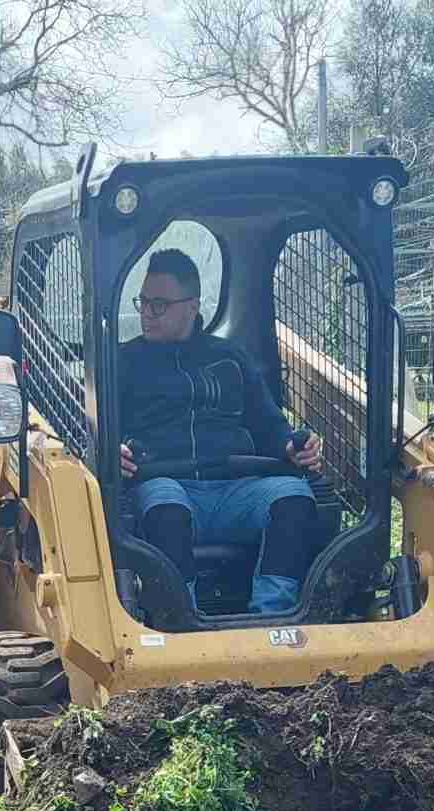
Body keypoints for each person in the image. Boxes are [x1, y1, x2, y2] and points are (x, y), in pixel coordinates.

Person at [113, 247, 327, 616]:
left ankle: (271, 618)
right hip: (166, 483)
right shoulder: (121, 362)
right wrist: (111, 450)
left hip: (237, 489)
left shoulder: (230, 358)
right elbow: (98, 431)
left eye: (159, 304)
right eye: (143, 302)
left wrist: (293, 447)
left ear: (192, 306)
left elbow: (270, 424)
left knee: (294, 495)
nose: (146, 312)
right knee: (166, 507)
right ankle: (181, 618)